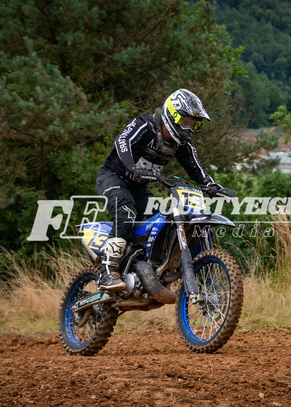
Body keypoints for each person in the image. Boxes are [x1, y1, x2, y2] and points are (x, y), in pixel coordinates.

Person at [95, 88, 235, 290]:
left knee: (159, 223)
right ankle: (107, 273)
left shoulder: (181, 145)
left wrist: (213, 187)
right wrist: (131, 167)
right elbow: (123, 141)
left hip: (139, 187)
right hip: (113, 177)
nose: (189, 129)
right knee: (126, 213)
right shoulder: (145, 125)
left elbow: (197, 171)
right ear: (172, 115)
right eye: (186, 122)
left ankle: (144, 269)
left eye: (193, 124)